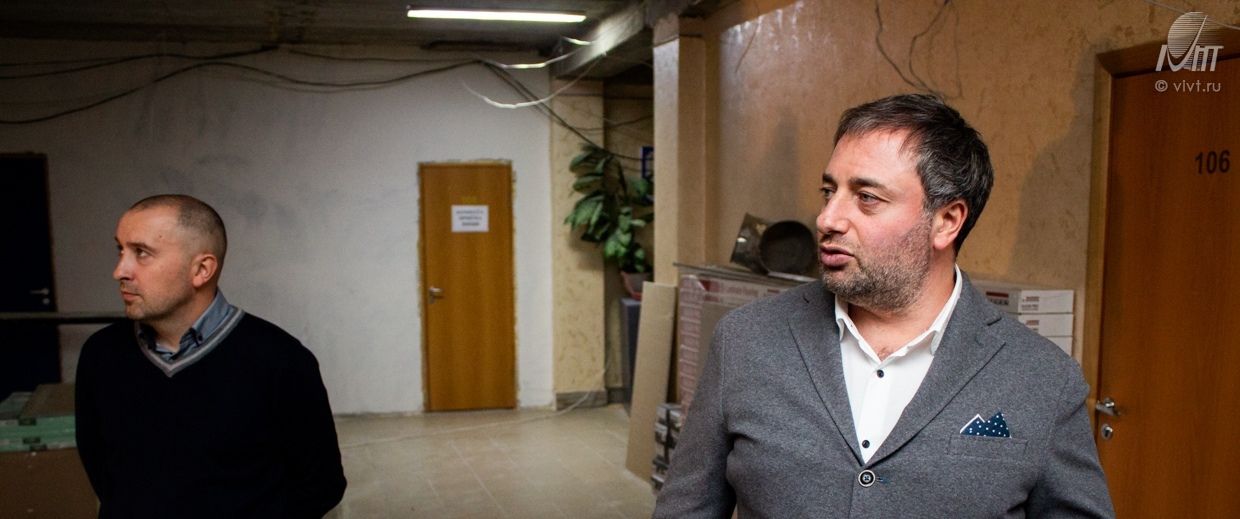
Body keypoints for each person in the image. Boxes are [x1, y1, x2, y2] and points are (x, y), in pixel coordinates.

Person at [653, 94, 1113, 517]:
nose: (828, 218)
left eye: (867, 198)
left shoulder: (1042, 379)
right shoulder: (746, 341)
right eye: (829, 191)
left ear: (946, 221)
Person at [75, 194, 346, 518]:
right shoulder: (101, 354)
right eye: (120, 250)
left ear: (201, 269)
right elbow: (101, 468)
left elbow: (321, 485)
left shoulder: (281, 361)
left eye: (141, 253)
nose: (120, 270)